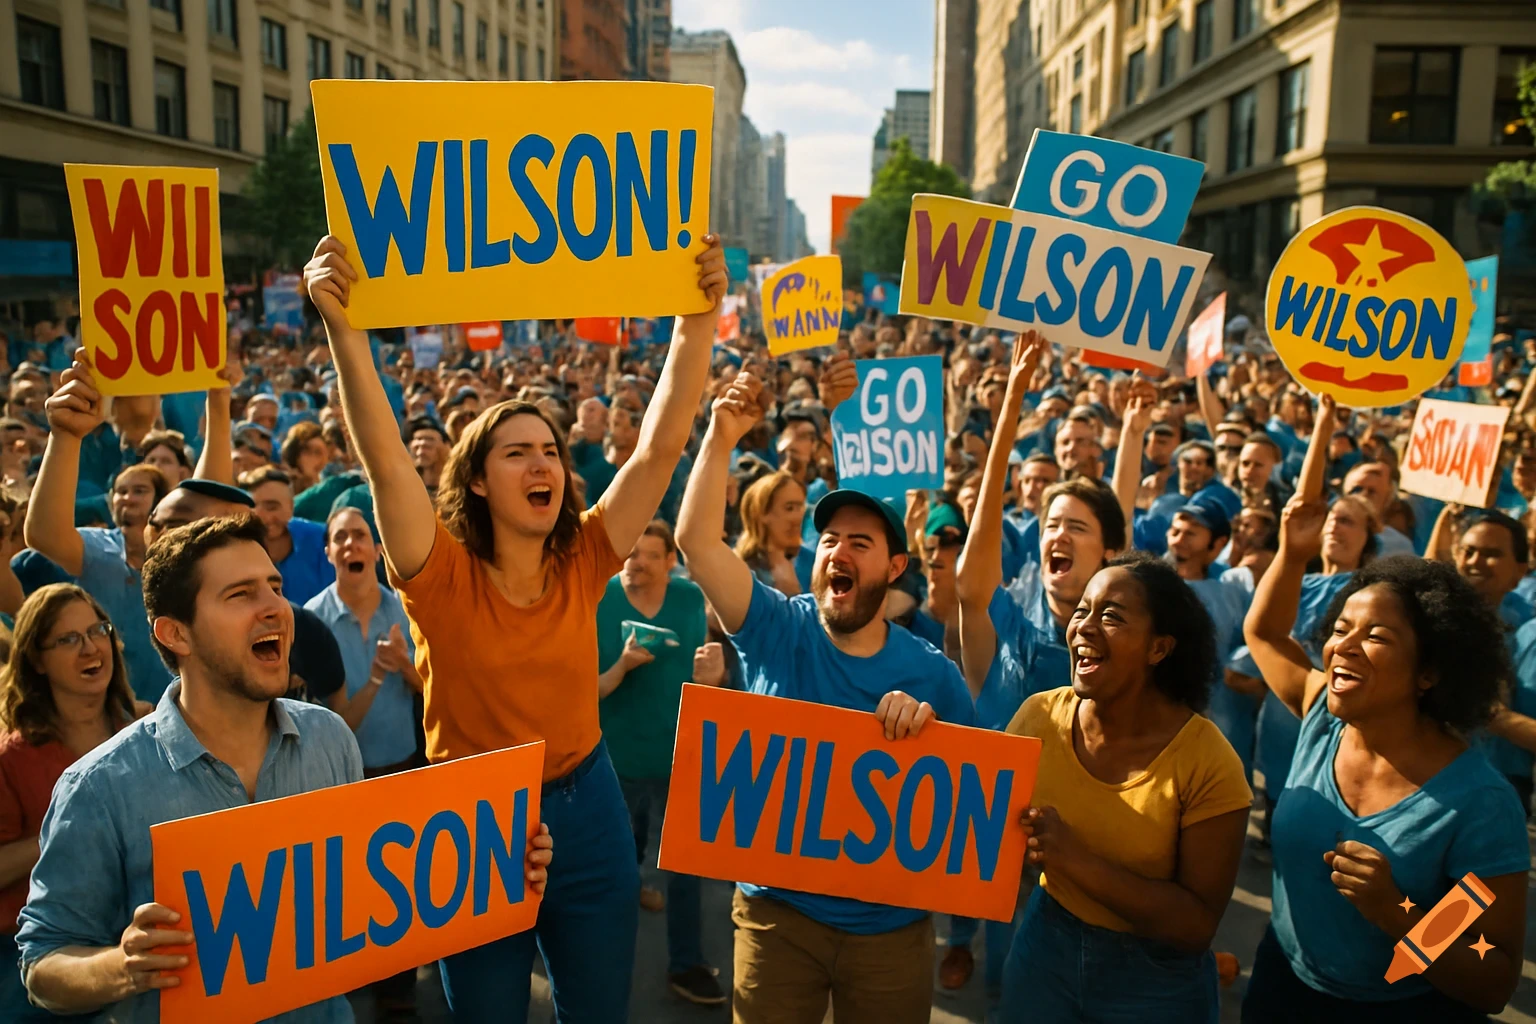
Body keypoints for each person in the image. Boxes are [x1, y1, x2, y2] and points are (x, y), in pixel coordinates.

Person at [304, 231, 726, 1022]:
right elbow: (388, 461)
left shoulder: (587, 554)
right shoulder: (438, 575)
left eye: (552, 452)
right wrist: (344, 330)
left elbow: (662, 445)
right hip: (471, 825)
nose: (543, 467)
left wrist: (696, 318)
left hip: (590, 807)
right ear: (475, 478)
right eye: (517, 453)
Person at [15, 513, 556, 1021]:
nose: (276, 607)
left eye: (275, 587)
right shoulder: (100, 788)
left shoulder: (329, 738)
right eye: (240, 594)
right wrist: (122, 967)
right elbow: (43, 964)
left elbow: (364, 890)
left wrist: (497, 863)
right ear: (174, 633)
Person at [676, 370, 976, 1024]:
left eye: (860, 543)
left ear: (896, 569)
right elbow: (697, 544)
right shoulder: (776, 627)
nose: (839, 550)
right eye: (831, 539)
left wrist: (932, 741)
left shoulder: (935, 677)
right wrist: (722, 435)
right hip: (776, 919)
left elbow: (972, 807)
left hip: (891, 933)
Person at [1242, 514, 1527, 1020]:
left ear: (1430, 672)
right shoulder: (1320, 720)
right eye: (1341, 629)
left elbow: (1493, 980)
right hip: (1280, 986)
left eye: (1376, 636)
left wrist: (1397, 911)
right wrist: (1290, 553)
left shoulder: (1477, 804)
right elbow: (1263, 632)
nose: (1341, 648)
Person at [1000, 552, 1252, 1022]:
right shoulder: (1039, 717)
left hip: (1157, 982)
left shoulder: (1208, 763)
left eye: (1111, 616)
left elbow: (1196, 924)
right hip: (1045, 949)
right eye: (1082, 611)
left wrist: (1073, 859)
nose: (1085, 627)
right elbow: (982, 824)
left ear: (1159, 648)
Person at [0, 585, 147, 1020]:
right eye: (67, 639)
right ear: (37, 660)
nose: (90, 648)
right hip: (38, 954)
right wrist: (66, 832)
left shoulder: (147, 729)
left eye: (97, 630)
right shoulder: (13, 758)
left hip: (139, 939)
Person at [595, 519, 724, 1004]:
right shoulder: (600, 598)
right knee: (614, 871)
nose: (637, 562)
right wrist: (622, 667)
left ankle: (686, 965)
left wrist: (716, 676)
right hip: (615, 760)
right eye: (631, 553)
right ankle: (598, 972)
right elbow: (583, 690)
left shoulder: (690, 600)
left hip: (681, 756)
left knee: (686, 870)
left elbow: (709, 672)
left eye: (651, 554)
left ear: (672, 562)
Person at [238, 466, 335, 605]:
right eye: (252, 507)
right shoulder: (235, 548)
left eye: (272, 507)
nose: (261, 516)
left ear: (291, 507)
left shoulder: (321, 539)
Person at [734, 471, 812, 596]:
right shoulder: (737, 569)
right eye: (789, 508)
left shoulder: (813, 563)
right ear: (761, 513)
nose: (798, 517)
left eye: (801, 507)